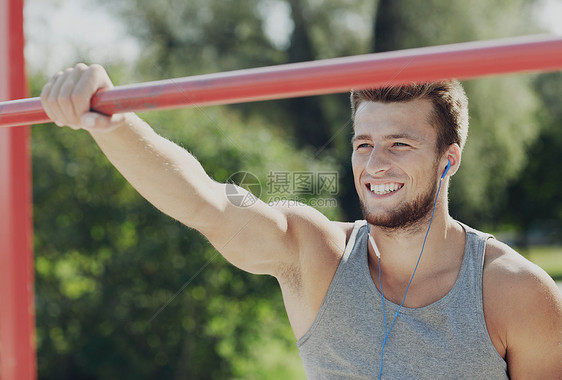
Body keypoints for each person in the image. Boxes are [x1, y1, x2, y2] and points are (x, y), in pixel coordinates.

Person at [40, 63, 562, 379]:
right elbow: (206, 203)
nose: (376, 163)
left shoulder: (515, 293)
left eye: (400, 144)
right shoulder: (317, 255)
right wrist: (110, 124)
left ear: (448, 159)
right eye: (364, 144)